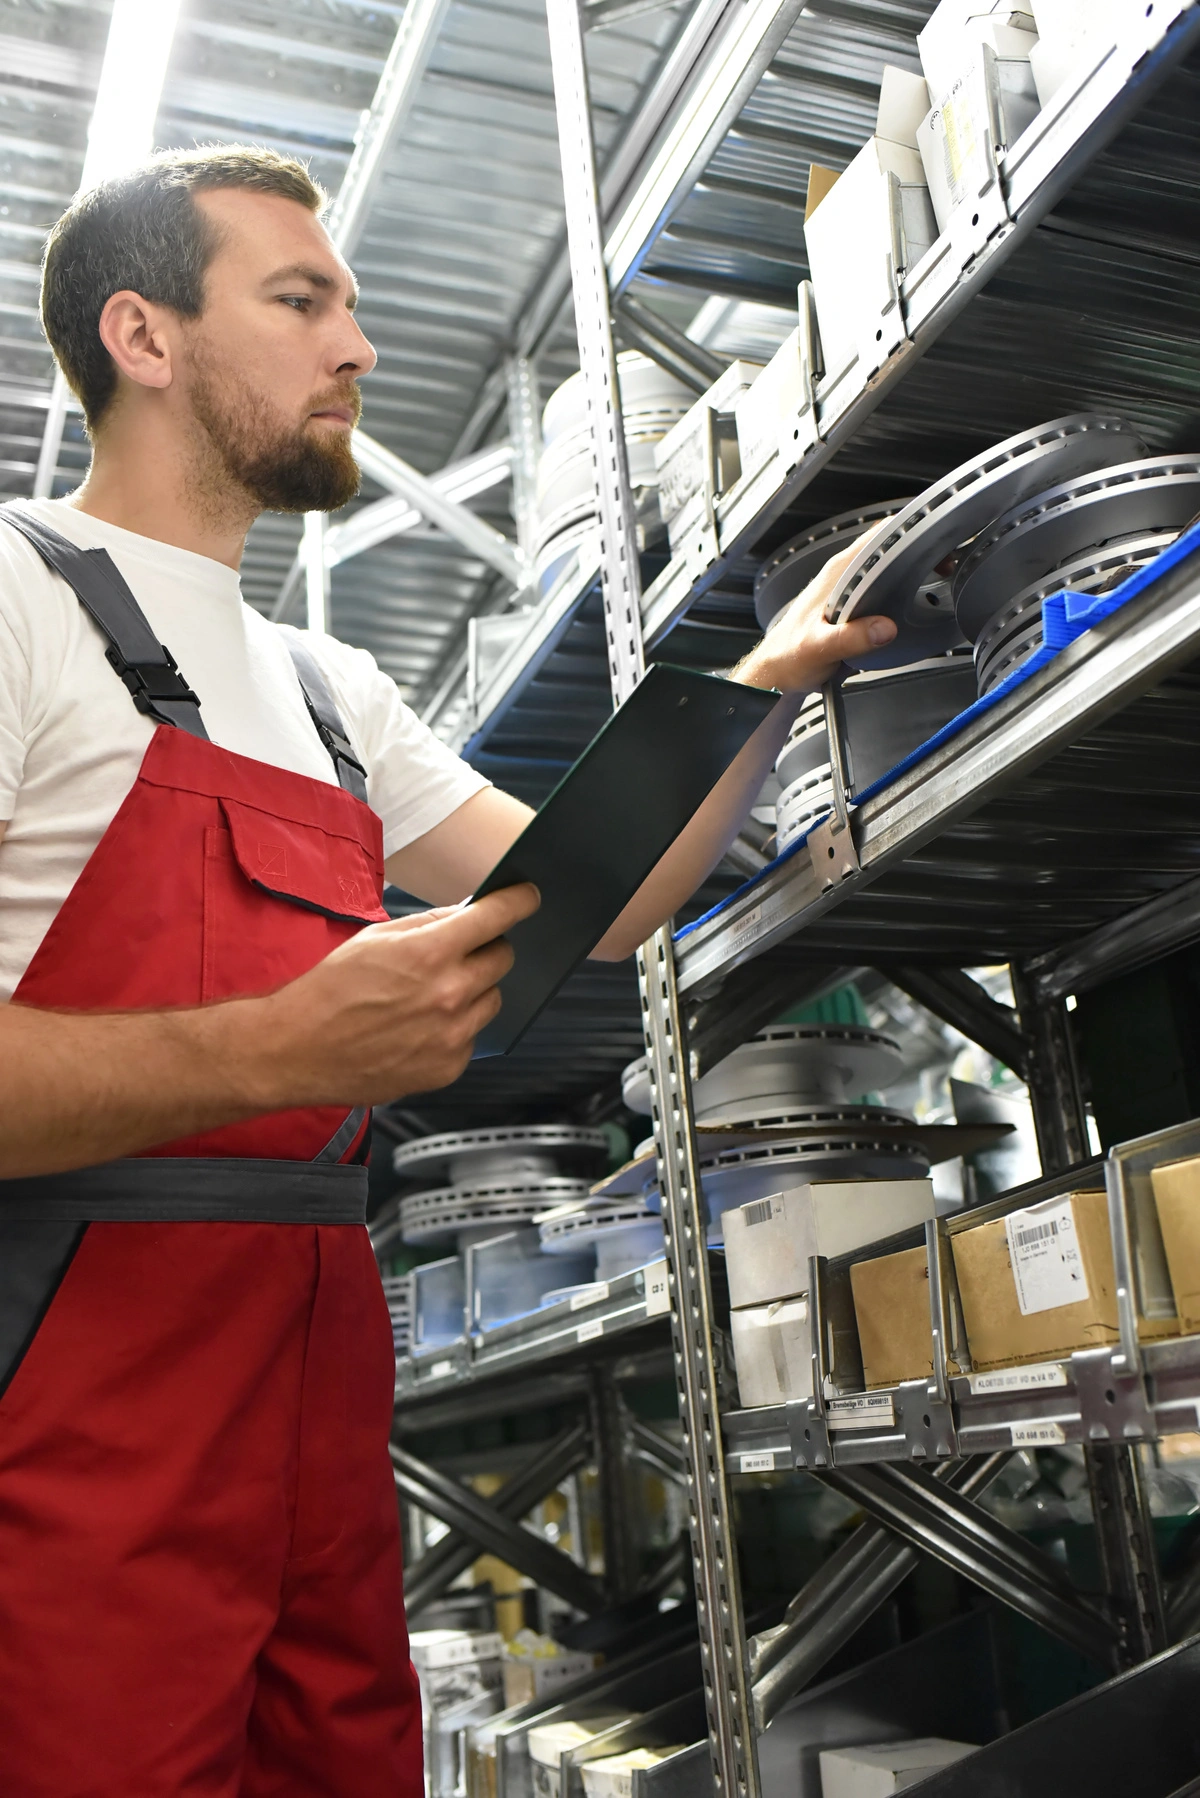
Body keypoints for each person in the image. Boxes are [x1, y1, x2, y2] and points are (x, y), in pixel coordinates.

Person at [0, 146, 897, 1796]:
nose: (357, 346)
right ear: (143, 335)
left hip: (322, 1373)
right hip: (74, 1374)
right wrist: (277, 1046)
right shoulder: (17, 599)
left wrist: (756, 688)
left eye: (348, 303)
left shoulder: (327, 689)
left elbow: (598, 901)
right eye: (299, 300)